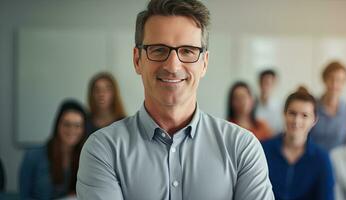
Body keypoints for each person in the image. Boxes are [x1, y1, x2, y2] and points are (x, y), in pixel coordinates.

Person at [76, 0, 274, 199]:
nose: (172, 66)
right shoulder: (103, 150)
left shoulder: (242, 148)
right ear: (137, 60)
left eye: (187, 51)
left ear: (204, 63)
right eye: (158, 50)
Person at [262, 87, 334, 200]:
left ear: (314, 120)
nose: (296, 121)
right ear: (284, 114)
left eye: (304, 115)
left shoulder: (322, 159)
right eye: (292, 113)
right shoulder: (263, 150)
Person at [20, 99, 87, 200]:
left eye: (77, 126)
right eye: (66, 124)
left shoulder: (87, 159)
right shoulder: (33, 156)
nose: (72, 130)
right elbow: (24, 196)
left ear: (83, 129)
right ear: (57, 126)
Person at [309, 61, 346, 151]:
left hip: (339, 163)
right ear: (324, 80)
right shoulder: (311, 107)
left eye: (339, 80)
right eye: (331, 79)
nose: (334, 84)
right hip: (313, 160)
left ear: (345, 83)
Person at [256, 69, 283, 135]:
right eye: (264, 82)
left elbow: (280, 130)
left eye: (269, 83)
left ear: (275, 84)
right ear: (259, 83)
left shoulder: (280, 107)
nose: (266, 86)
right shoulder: (251, 105)